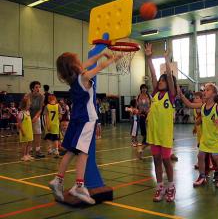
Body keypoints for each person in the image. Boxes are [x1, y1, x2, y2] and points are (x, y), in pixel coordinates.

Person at [49, 51, 121, 204]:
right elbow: (99, 67)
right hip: (86, 120)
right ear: (74, 65)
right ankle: (79, 186)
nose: (80, 62)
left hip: (75, 120)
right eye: (77, 60)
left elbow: (91, 61)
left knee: (70, 152)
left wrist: (102, 53)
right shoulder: (84, 77)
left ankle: (58, 180)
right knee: (83, 153)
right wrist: (113, 59)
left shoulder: (73, 80)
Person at [179, 83, 218, 188]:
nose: (204, 92)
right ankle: (202, 176)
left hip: (215, 139)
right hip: (205, 138)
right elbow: (189, 105)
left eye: (207, 90)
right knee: (200, 156)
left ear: (214, 94)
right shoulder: (203, 106)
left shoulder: (217, 107)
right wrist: (182, 96)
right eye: (204, 90)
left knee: (216, 157)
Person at [145, 43, 177, 202]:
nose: (161, 82)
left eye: (163, 80)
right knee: (156, 160)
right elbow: (152, 75)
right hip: (153, 133)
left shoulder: (170, 95)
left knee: (166, 160)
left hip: (165, 134)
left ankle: (171, 186)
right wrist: (149, 57)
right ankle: (159, 187)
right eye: (160, 80)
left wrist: (166, 60)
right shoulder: (155, 94)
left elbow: (170, 77)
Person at [27, 81, 45, 158]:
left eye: (39, 87)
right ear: (32, 88)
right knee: (29, 134)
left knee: (38, 133)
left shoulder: (42, 96)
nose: (38, 89)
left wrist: (36, 117)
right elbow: (26, 108)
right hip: (27, 116)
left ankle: (38, 150)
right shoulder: (28, 96)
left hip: (36, 116)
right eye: (36, 87)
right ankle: (29, 150)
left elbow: (40, 109)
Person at [136, 84, 151, 158]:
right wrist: (139, 112)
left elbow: (153, 105)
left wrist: (148, 111)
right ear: (141, 89)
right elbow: (136, 106)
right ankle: (142, 149)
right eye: (143, 88)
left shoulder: (149, 96)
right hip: (141, 115)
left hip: (149, 115)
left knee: (149, 132)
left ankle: (143, 148)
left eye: (145, 88)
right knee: (144, 132)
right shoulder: (138, 96)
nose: (144, 89)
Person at [17, 96, 34, 161]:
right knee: (24, 144)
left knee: (29, 143)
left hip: (29, 131)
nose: (29, 105)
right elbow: (19, 123)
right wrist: (22, 131)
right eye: (28, 104)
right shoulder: (21, 113)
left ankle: (27, 154)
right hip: (24, 131)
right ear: (24, 105)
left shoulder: (28, 112)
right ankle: (23, 156)